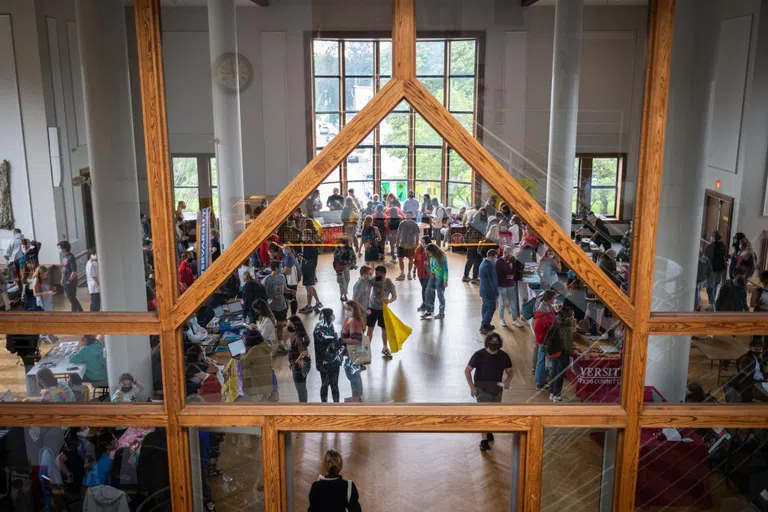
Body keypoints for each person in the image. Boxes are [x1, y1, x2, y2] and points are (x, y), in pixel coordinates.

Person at [464, 332, 513, 451]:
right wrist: (472, 387)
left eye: (497, 342)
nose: (494, 344)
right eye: (492, 342)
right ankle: (484, 440)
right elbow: (467, 371)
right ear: (487, 343)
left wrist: (507, 381)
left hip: (497, 390)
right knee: (484, 414)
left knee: (493, 413)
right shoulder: (479, 355)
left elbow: (510, 371)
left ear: (500, 344)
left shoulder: (504, 356)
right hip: (482, 389)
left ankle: (488, 430)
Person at [544, 307, 576, 402]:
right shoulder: (566, 327)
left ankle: (551, 393)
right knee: (560, 374)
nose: (573, 317)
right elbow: (567, 344)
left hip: (554, 351)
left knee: (554, 372)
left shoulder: (556, 321)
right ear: (568, 317)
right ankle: (557, 396)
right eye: (572, 315)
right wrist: (573, 350)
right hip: (562, 353)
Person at [366, 265, 397, 359]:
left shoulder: (389, 284)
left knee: (384, 329)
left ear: (383, 274)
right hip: (372, 307)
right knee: (370, 329)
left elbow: (394, 296)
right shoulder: (373, 280)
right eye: (375, 273)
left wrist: (390, 300)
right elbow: (366, 278)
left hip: (383, 309)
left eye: (378, 273)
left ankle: (385, 347)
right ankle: (367, 349)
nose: (376, 275)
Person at [314, 308, 343, 403]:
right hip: (331, 362)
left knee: (324, 384)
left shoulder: (318, 328)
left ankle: (324, 405)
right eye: (331, 315)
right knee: (334, 385)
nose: (332, 317)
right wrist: (340, 341)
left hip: (323, 363)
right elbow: (334, 347)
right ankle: (335, 405)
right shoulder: (326, 330)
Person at [241, 328, 275, 402]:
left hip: (256, 383)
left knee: (256, 405)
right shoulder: (265, 346)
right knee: (264, 400)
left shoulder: (255, 350)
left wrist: (242, 355)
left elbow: (244, 363)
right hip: (265, 381)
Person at [341, 301, 365, 401]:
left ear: (354, 310)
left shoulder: (354, 322)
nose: (346, 311)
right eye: (345, 308)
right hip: (349, 353)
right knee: (351, 375)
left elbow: (356, 340)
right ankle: (355, 396)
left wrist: (342, 341)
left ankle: (356, 398)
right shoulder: (348, 320)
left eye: (349, 309)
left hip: (353, 354)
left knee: (354, 376)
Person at [533, 290, 557, 389]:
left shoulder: (546, 307)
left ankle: (542, 378)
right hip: (544, 340)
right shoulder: (543, 312)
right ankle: (540, 381)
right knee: (542, 361)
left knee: (544, 360)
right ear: (549, 299)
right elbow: (544, 327)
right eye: (553, 298)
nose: (555, 300)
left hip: (544, 339)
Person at [732, 337, 768, 402]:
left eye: (760, 348)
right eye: (756, 348)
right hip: (754, 384)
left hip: (761, 382)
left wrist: (765, 377)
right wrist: (759, 381)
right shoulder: (746, 359)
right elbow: (745, 375)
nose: (758, 350)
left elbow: (761, 373)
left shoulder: (758, 359)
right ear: (751, 347)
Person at [264, 261, 292, 345]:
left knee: (280, 325)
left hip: (281, 305)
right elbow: (264, 294)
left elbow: (284, 288)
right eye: (280, 267)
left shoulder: (282, 277)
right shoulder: (267, 280)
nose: (282, 268)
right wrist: (273, 297)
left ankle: (280, 343)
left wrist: (290, 291)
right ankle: (269, 344)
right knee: (270, 326)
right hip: (271, 307)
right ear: (275, 268)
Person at [297, 229, 323, 313]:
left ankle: (308, 305)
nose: (302, 236)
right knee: (311, 286)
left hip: (308, 268)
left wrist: (301, 258)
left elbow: (307, 258)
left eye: (304, 235)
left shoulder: (309, 245)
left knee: (308, 288)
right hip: (311, 268)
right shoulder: (311, 243)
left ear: (307, 235)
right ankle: (318, 302)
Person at [497, 246, 524, 327]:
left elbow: (514, 270)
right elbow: (497, 275)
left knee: (513, 304)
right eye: (508, 256)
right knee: (502, 303)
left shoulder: (512, 259)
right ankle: (501, 319)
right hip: (502, 286)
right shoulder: (499, 262)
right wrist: (505, 277)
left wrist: (513, 276)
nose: (509, 257)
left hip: (511, 285)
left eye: (511, 256)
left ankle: (514, 320)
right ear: (504, 253)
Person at [287, 315, 311, 402]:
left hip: (298, 368)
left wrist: (296, 361)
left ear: (294, 325)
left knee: (301, 390)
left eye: (289, 323)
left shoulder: (298, 337)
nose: (287, 325)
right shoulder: (295, 334)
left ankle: (303, 407)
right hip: (298, 367)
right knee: (302, 388)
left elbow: (304, 352)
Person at [421, 243, 448, 320]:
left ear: (433, 251)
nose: (428, 254)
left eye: (429, 252)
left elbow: (445, 269)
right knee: (427, 292)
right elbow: (433, 266)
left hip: (440, 278)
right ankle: (429, 310)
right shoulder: (432, 257)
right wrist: (430, 270)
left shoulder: (442, 257)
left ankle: (441, 312)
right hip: (433, 277)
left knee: (440, 295)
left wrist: (445, 280)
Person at [57, 240, 83, 311]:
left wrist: (69, 280)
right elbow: (64, 269)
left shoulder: (71, 257)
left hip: (70, 281)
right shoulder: (64, 257)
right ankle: (76, 311)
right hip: (65, 280)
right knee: (71, 298)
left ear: (64, 248)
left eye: (59, 248)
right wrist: (62, 279)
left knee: (72, 298)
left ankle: (79, 311)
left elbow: (74, 271)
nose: (59, 250)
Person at [478, 249, 499, 334]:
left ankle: (486, 324)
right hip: (489, 291)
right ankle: (484, 325)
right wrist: (496, 293)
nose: (495, 259)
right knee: (491, 308)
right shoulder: (489, 266)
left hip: (483, 289)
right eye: (495, 257)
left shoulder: (483, 263)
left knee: (485, 307)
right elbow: (492, 280)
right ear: (491, 256)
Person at [395, 210, 421, 281]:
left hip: (411, 245)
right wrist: (397, 243)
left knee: (410, 259)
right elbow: (398, 233)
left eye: (409, 218)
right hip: (401, 244)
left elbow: (417, 235)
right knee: (400, 258)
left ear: (411, 217)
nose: (407, 219)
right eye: (406, 218)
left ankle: (409, 273)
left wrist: (416, 244)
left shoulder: (415, 224)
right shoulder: (401, 223)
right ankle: (402, 272)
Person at [704, 231, 727, 306]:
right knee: (716, 285)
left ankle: (712, 303)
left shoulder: (710, 246)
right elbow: (724, 257)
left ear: (713, 237)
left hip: (712, 269)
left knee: (710, 286)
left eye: (712, 236)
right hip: (720, 269)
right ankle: (713, 302)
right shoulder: (723, 246)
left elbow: (706, 258)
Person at [414, 236, 431, 312]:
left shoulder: (430, 250)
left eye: (424, 242)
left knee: (425, 288)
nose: (422, 244)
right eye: (421, 242)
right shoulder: (418, 250)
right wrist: (414, 271)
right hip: (420, 273)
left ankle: (425, 304)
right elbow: (416, 261)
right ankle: (426, 303)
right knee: (424, 288)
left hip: (427, 273)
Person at [281, 246, 300, 315]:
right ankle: (293, 314)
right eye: (284, 248)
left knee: (290, 298)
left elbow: (286, 271)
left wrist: (279, 271)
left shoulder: (289, 258)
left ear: (290, 249)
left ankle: (291, 314)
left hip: (290, 282)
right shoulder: (289, 256)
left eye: (286, 248)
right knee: (292, 298)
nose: (284, 249)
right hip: (292, 281)